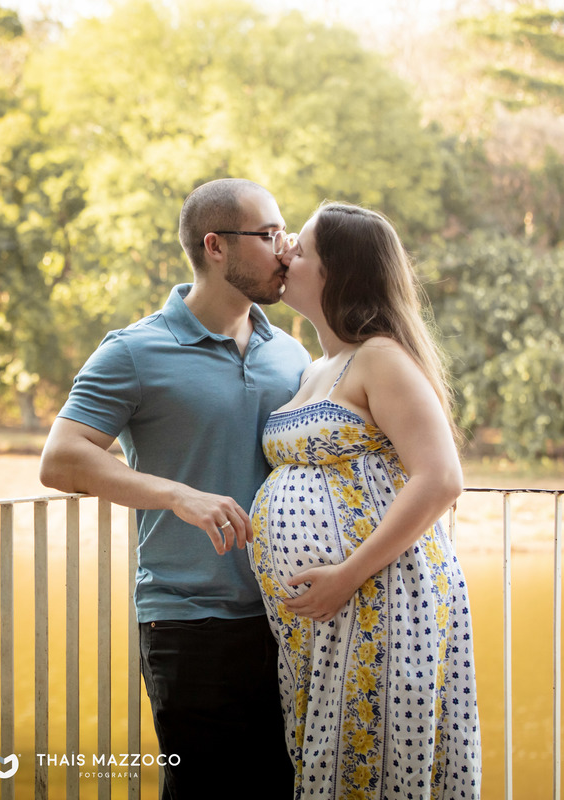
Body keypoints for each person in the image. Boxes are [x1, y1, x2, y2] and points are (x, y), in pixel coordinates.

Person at [40, 178, 310, 797]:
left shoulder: (290, 354)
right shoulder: (134, 351)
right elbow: (61, 460)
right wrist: (176, 495)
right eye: (269, 236)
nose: (285, 249)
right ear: (215, 246)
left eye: (285, 233)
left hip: (288, 619)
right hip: (190, 624)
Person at [249, 202, 482, 798]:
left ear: (337, 272)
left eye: (299, 248)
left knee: (371, 763)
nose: (284, 254)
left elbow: (441, 478)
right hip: (326, 620)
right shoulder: (317, 367)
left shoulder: (380, 356)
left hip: (381, 599)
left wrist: (348, 575)